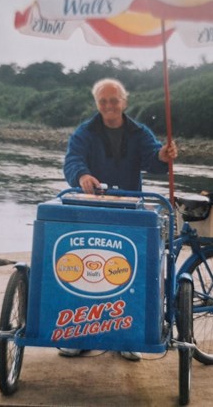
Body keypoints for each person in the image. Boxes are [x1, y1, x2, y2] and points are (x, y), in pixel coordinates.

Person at [61, 78, 177, 361]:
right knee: (86, 270)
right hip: (91, 211)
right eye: (103, 101)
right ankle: (79, 336)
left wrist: (163, 155)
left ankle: (126, 338)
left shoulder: (139, 132)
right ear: (97, 104)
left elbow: (153, 160)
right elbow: (72, 160)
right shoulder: (85, 132)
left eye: (114, 100)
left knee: (127, 274)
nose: (109, 106)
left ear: (124, 102)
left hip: (128, 213)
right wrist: (82, 176)